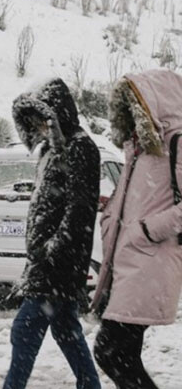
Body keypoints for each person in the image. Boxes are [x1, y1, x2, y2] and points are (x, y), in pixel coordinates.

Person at [3, 78, 102, 389]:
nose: (39, 128)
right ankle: (90, 385)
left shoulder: (80, 148)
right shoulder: (49, 150)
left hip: (58, 264)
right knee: (66, 331)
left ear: (58, 114)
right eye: (32, 123)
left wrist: (53, 250)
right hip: (46, 262)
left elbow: (80, 209)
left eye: (42, 120)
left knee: (24, 330)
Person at [92, 69, 182, 389]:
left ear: (154, 104)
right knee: (121, 355)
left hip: (150, 262)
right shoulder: (140, 149)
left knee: (110, 351)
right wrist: (109, 220)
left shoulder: (176, 142)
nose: (130, 112)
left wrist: (146, 230)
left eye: (135, 104)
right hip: (130, 263)